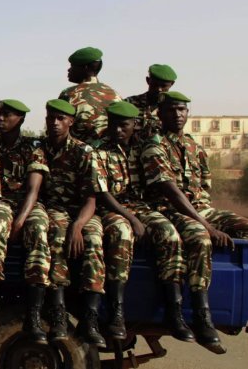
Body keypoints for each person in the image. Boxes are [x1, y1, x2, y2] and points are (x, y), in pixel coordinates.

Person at [141, 91, 248, 353]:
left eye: (182, 110)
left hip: (201, 209)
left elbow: (204, 188)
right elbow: (172, 193)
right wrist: (208, 226)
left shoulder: (193, 147)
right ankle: (198, 316)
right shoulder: (154, 146)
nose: (177, 115)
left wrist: (211, 218)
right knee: (200, 237)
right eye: (171, 110)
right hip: (170, 210)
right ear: (160, 114)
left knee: (244, 224)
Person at [92, 101, 186, 341]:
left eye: (123, 126)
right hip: (113, 209)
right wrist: (131, 219)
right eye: (113, 125)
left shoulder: (144, 149)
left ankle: (174, 312)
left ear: (135, 125)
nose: (117, 131)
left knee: (170, 235)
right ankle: (117, 312)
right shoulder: (98, 150)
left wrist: (139, 216)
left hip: (143, 208)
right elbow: (103, 193)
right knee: (122, 235)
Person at [0, 99, 52, 343]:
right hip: (1, 202)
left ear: (21, 120)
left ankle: (34, 314)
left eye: (7, 115)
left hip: (28, 204)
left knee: (39, 231)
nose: (0, 119)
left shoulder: (32, 148)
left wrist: (21, 221)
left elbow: (34, 190)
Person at [41, 99, 105, 345]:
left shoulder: (84, 151)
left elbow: (91, 197)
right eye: (50, 118)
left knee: (95, 238)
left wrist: (78, 226)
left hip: (82, 210)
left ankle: (90, 317)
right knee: (57, 234)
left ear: (71, 122)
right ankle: (58, 312)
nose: (55, 123)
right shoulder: (40, 148)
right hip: (54, 209)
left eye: (60, 119)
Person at [59, 46, 121, 144]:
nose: (69, 70)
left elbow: (59, 128)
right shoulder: (115, 94)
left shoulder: (69, 94)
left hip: (78, 154)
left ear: (85, 68)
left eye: (72, 66)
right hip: (108, 156)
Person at [125, 64, 177, 141]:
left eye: (163, 86)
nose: (159, 89)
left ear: (172, 84)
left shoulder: (173, 108)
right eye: (155, 85)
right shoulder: (129, 103)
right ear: (148, 80)